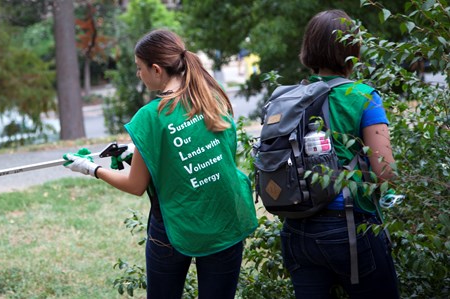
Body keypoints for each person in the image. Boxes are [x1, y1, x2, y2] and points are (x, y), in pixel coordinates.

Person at [62, 29, 258, 298]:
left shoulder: (150, 117)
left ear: (156, 69)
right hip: (224, 218)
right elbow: (204, 152)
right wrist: (139, 151)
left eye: (139, 68)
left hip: (173, 228)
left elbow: (135, 185)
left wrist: (90, 168)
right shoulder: (212, 97)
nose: (137, 75)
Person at [279, 9, 399, 298]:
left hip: (297, 229)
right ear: (352, 49)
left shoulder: (292, 98)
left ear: (309, 49)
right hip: (349, 229)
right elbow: (385, 172)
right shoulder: (362, 96)